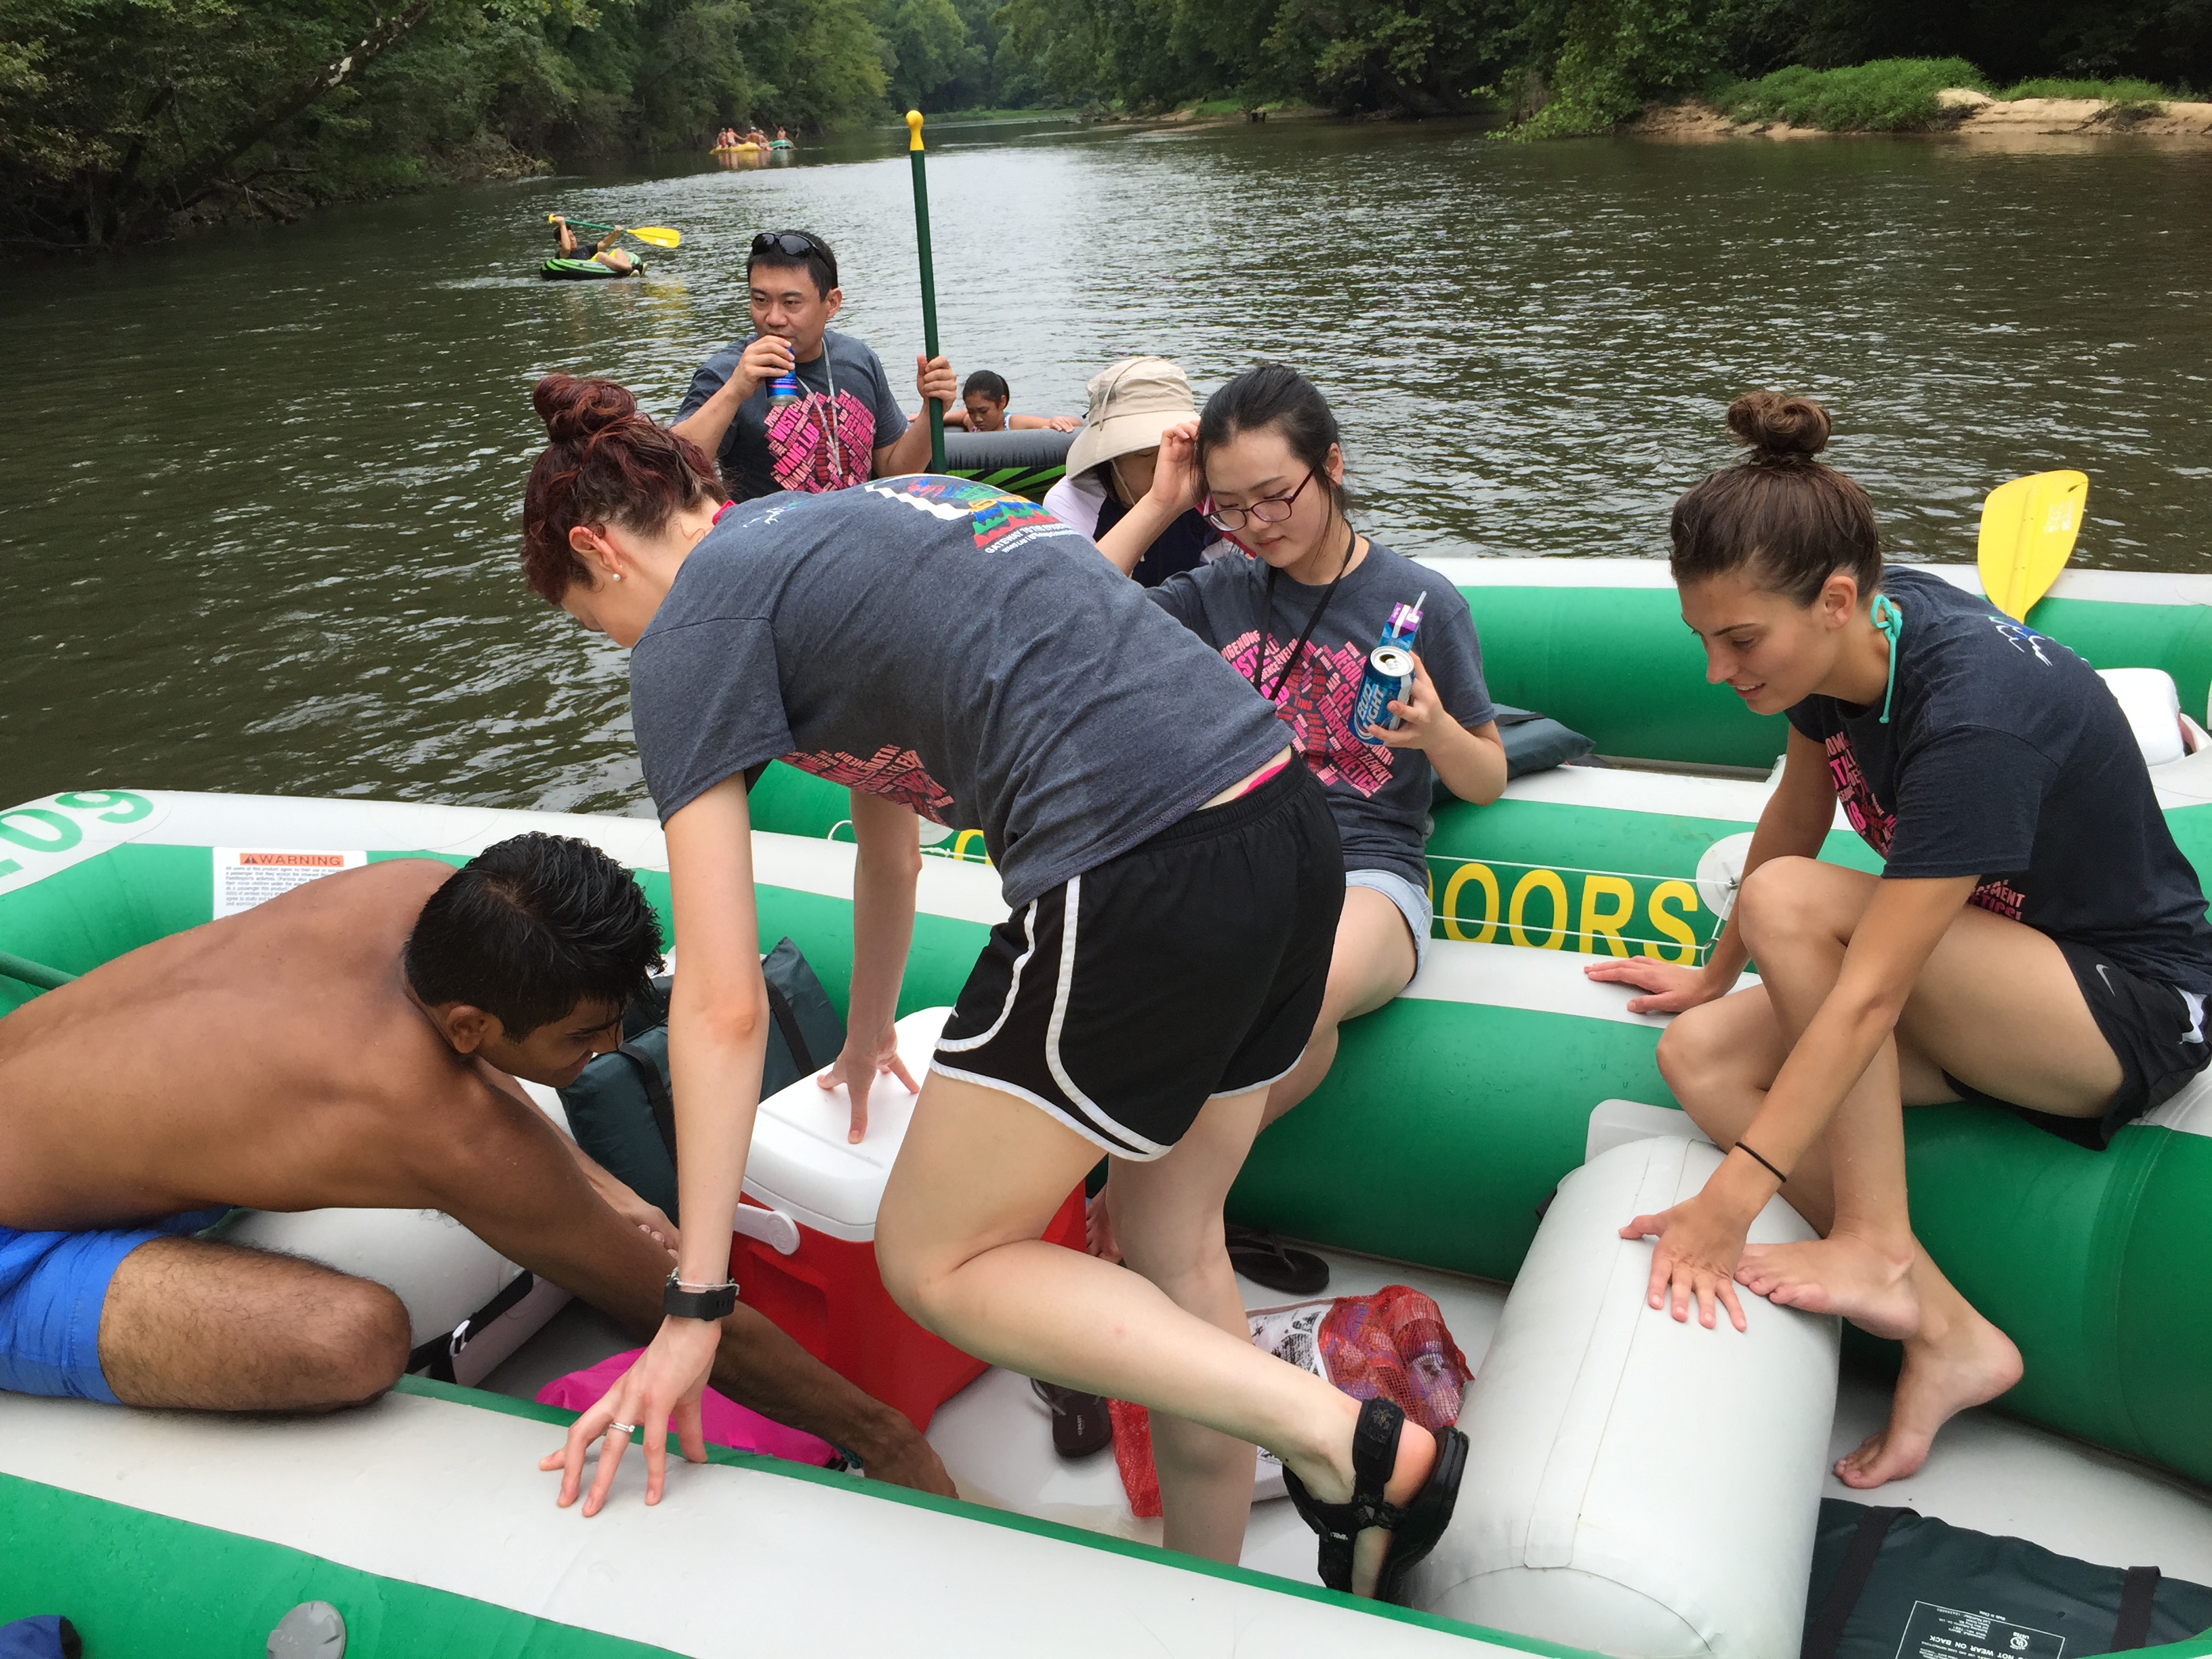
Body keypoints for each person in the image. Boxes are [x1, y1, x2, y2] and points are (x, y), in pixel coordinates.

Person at [518, 374, 1468, 1598]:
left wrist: (698, 1303)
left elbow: (717, 1000)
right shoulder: (858, 524)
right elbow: (889, 845)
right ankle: (1215, 1601)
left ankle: (1350, 1443)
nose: (626, 649)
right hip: (1283, 831)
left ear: (597, 551)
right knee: (1175, 1252)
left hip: (1136, 862)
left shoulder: (691, 627)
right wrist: (865, 1036)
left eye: (598, 623)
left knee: (935, 1257)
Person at [1586, 392, 2212, 1488]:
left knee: (1790, 901)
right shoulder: (1846, 651)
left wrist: (1733, 1199)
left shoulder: (1973, 716)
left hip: (2122, 1009)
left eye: (1739, 640)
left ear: (1836, 601)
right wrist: (1713, 974)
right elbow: (1796, 809)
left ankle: (1874, 1243)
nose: (1716, 670)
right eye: (1703, 639)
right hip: (1990, 987)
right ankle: (1948, 1330)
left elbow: (1868, 992)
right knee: (1700, 1055)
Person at [0, 832, 951, 1495]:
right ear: (468, 1025)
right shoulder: (437, 1127)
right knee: (353, 1337)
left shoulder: (417, 896)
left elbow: (464, 1063)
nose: (614, 1048)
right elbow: (682, 1311)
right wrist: (888, 1439)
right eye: (586, 1036)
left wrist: (605, 1184)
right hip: (14, 1238)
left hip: (49, 1113)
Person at [1089, 363, 1507, 1267]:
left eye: (1276, 496)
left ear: (1333, 466)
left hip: (1368, 869)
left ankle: (1142, 1192)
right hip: (1239, 859)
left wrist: (1437, 732)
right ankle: (1170, 1213)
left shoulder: (1422, 602)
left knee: (1293, 992)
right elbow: (1072, 605)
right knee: (1290, 1039)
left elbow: (1487, 778)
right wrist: (1161, 504)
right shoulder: (1217, 591)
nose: (1258, 525)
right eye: (1232, 507)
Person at [670, 230, 955, 501]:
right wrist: (734, 392)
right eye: (760, 300)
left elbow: (895, 470)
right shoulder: (726, 373)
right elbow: (670, 472)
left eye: (791, 303)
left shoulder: (858, 358)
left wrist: (932, 409)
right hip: (773, 534)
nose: (774, 318)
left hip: (858, 528)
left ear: (832, 303)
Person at [1042, 357, 1227, 588]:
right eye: (1145, 454)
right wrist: (1160, 504)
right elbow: (1081, 596)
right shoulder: (1070, 501)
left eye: (1181, 448)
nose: (1166, 464)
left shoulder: (1205, 490)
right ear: (1112, 458)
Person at [930, 370, 1080, 434]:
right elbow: (960, 416)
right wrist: (929, 419)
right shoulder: (972, 423)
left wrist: (1056, 421)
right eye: (972, 411)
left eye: (984, 411)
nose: (977, 418)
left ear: (1002, 402)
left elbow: (1078, 424)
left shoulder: (1015, 424)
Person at [551, 215, 632, 276]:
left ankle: (627, 269)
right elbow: (567, 248)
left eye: (573, 236)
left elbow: (604, 244)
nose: (572, 239)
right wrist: (562, 225)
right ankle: (629, 269)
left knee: (618, 251)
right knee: (600, 255)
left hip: (596, 267)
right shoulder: (563, 255)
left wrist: (616, 233)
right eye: (569, 238)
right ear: (560, 242)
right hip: (582, 271)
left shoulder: (585, 250)